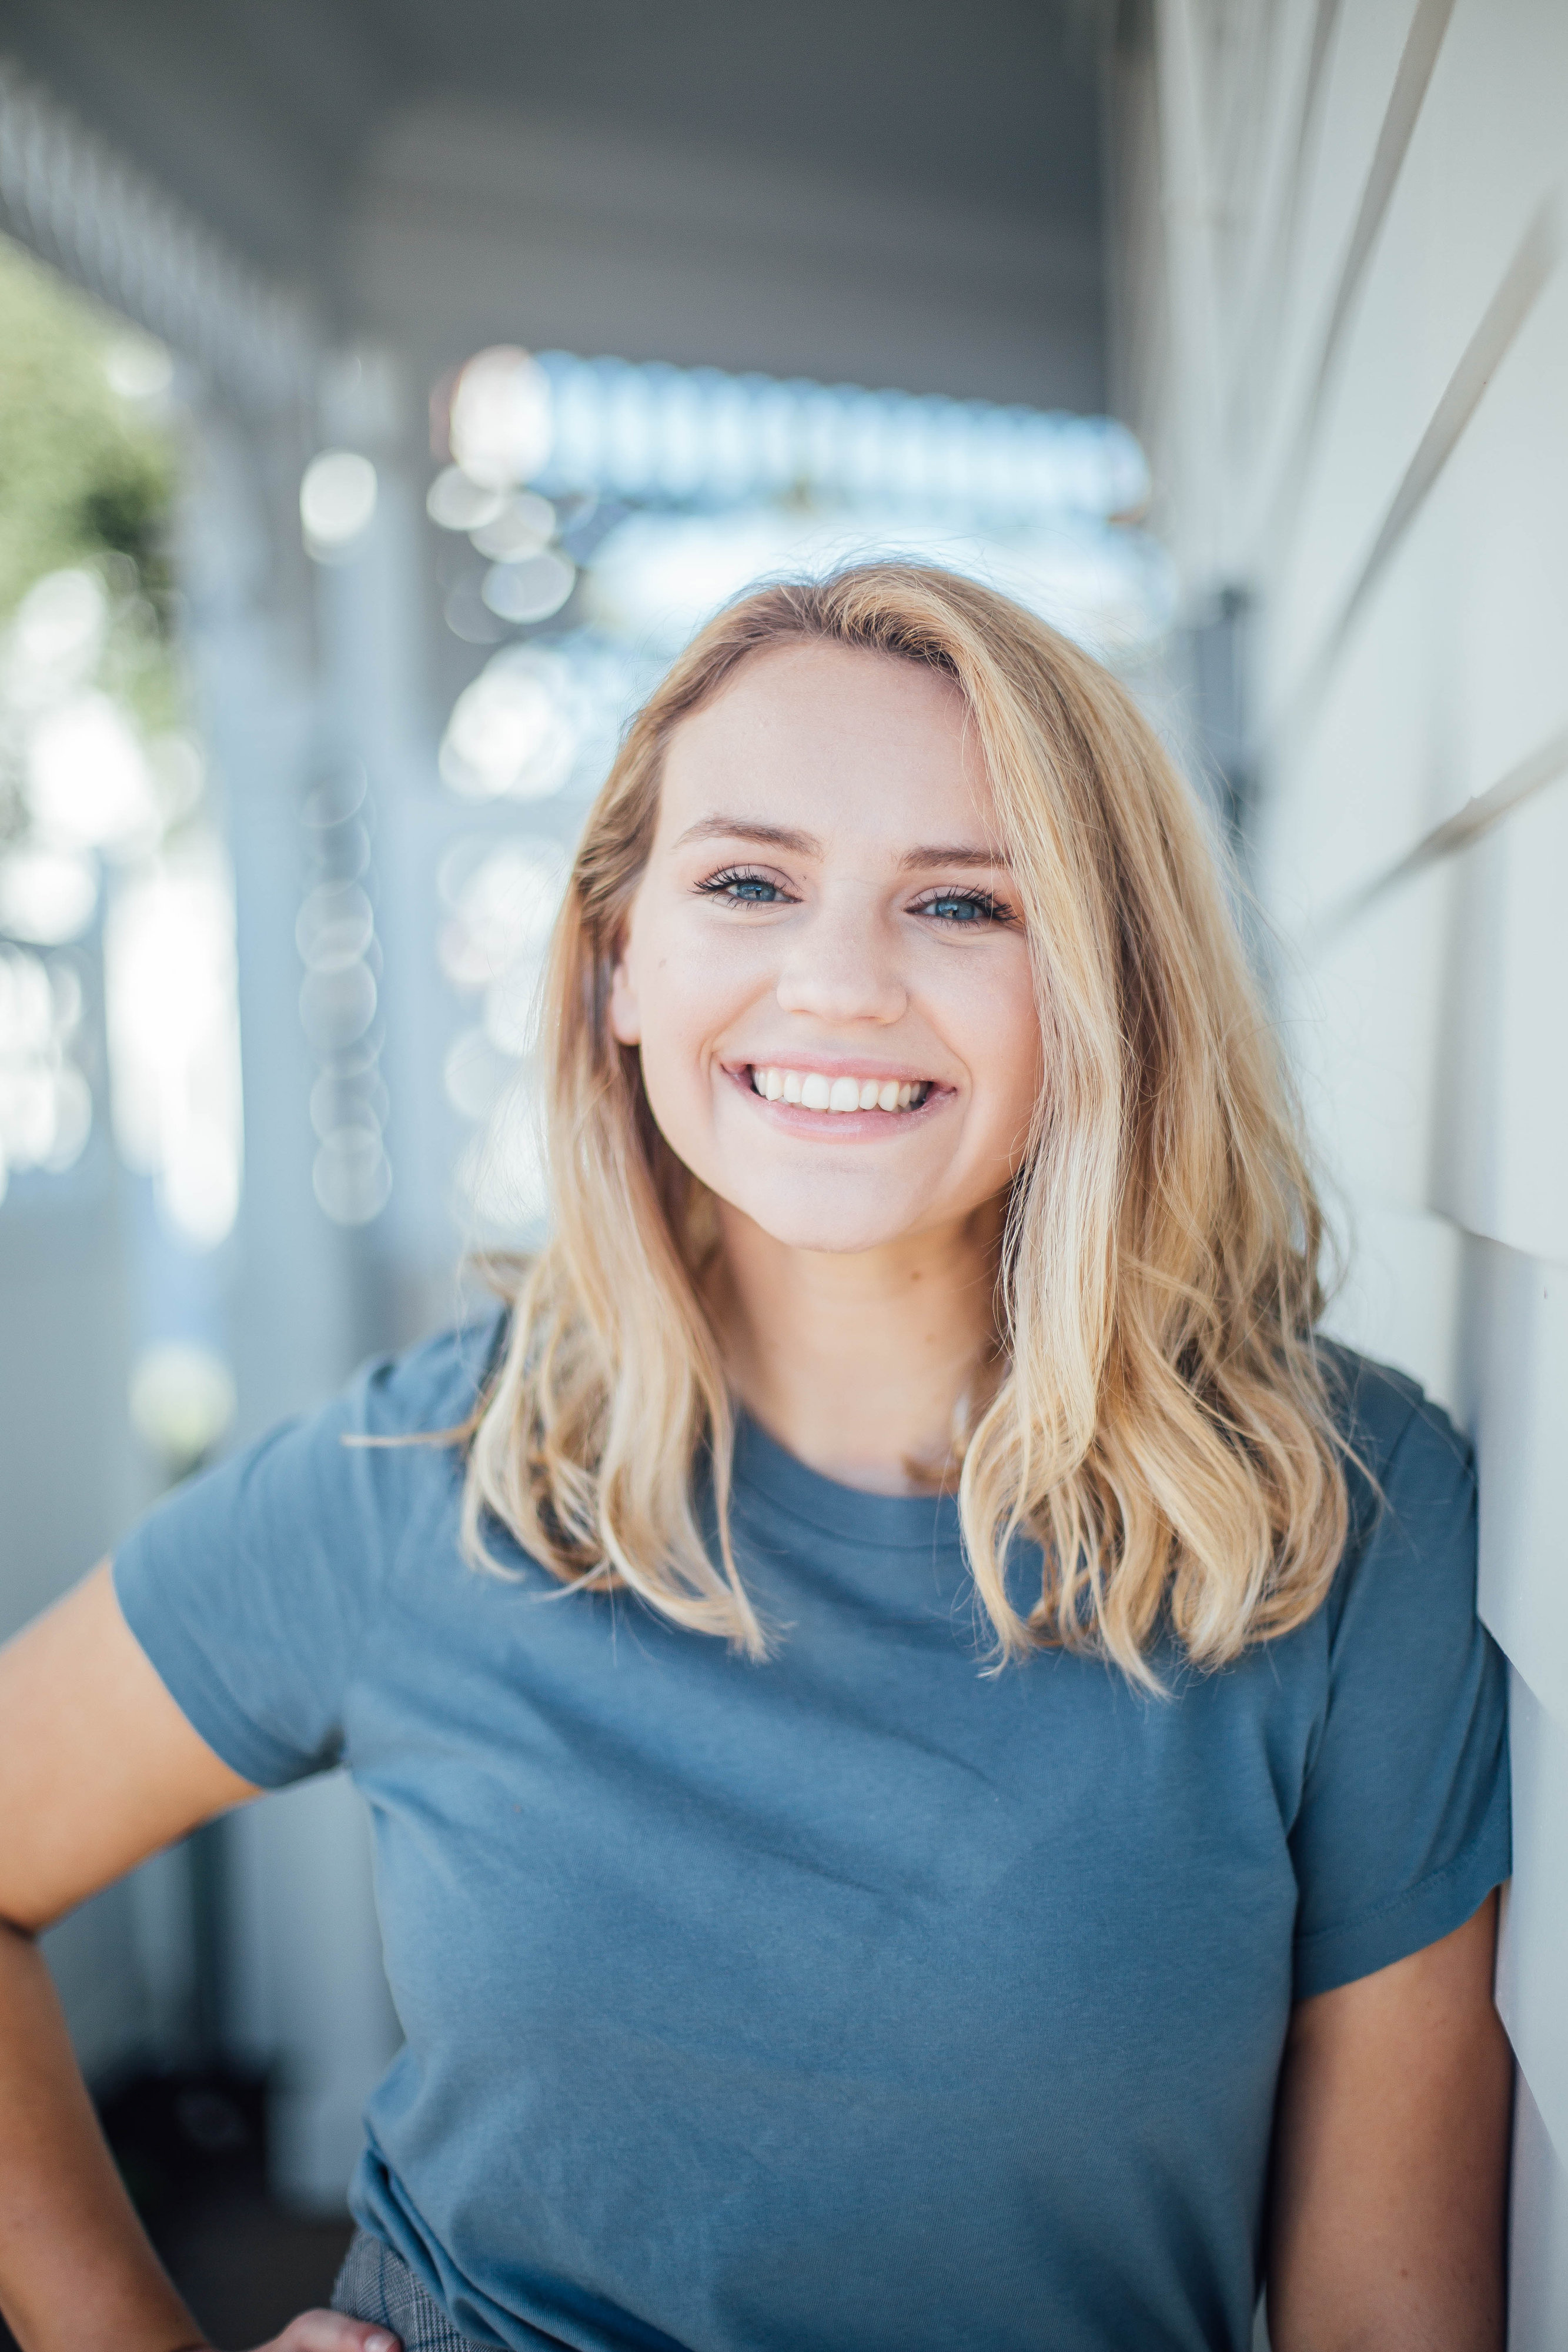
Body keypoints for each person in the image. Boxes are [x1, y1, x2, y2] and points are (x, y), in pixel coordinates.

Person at [0, 566, 1510, 2352]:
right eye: (745, 882)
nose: (840, 985)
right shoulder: (425, 1473)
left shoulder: (1338, 1520)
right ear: (619, 960)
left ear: (1109, 988)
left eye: (960, 902)